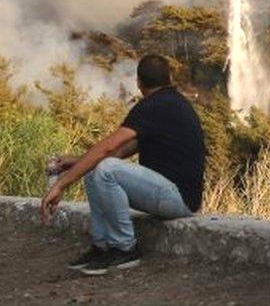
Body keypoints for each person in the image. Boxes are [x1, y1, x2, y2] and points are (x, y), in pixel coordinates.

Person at [40, 54, 205, 276]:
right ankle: (102, 246)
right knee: (95, 168)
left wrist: (61, 184)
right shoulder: (173, 103)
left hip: (179, 200)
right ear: (170, 77)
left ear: (139, 83)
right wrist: (76, 162)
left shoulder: (153, 106)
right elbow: (122, 151)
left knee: (105, 168)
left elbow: (108, 148)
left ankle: (124, 248)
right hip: (172, 195)